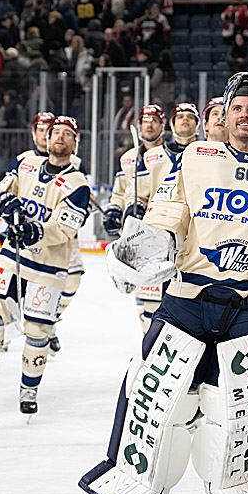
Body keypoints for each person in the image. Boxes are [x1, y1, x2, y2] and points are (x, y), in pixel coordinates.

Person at [80, 72, 248, 494]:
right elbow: (168, 214)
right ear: (222, 116)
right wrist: (146, 247)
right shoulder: (196, 157)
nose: (243, 114)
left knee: (246, 401)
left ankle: (235, 485)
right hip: (189, 297)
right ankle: (139, 482)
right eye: (235, 107)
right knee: (155, 390)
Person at [0, 116, 90, 415]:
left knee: (38, 329)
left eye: (68, 135)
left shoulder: (79, 184)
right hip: (12, 256)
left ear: (75, 145)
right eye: (56, 133)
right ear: (47, 138)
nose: (60, 138)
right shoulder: (25, 165)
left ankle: (29, 391)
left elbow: (66, 226)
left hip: (49, 267)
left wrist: (35, 230)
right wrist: (5, 203)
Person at [128, 103, 202, 332]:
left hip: (195, 243)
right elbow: (136, 194)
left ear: (198, 125)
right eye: (180, 117)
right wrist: (133, 208)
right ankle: (150, 351)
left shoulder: (207, 157)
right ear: (171, 124)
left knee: (188, 304)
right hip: (156, 240)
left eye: (191, 117)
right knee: (150, 307)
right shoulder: (151, 157)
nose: (185, 120)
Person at [102, 104, 165, 329]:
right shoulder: (128, 158)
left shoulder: (169, 156)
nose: (149, 125)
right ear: (139, 126)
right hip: (135, 236)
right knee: (143, 297)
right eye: (145, 121)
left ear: (163, 126)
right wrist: (114, 210)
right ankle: (149, 345)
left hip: (162, 234)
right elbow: (119, 192)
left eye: (154, 120)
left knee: (163, 299)